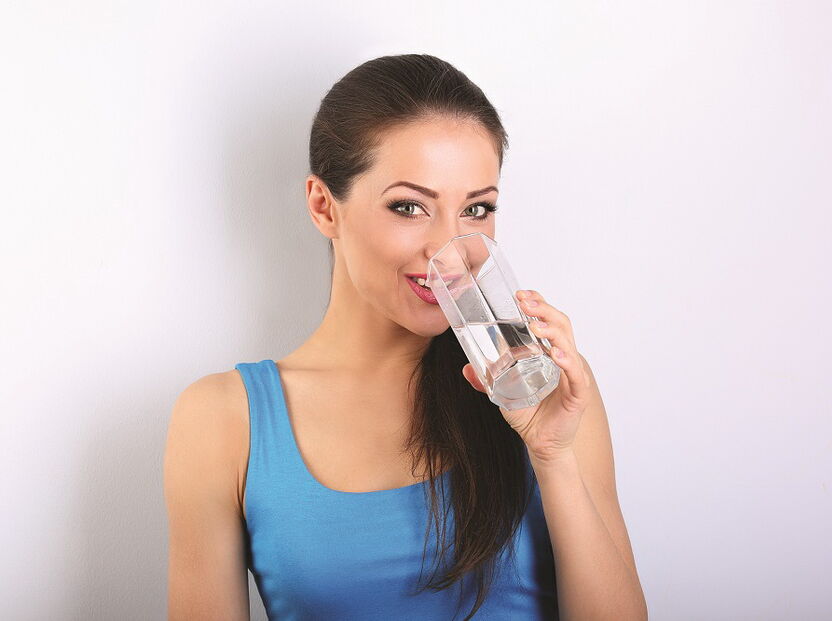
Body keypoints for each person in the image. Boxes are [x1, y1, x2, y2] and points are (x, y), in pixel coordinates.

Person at [163, 54, 647, 620]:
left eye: (477, 209)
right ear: (324, 206)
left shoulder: (544, 387)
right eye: (409, 207)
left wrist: (553, 454)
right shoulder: (224, 419)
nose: (450, 251)